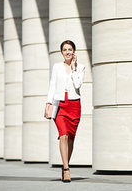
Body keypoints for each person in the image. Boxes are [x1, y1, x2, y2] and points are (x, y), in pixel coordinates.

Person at [45, 40, 85, 183]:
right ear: (61, 52)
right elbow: (52, 86)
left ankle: (64, 165)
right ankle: (67, 170)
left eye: (70, 49)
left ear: (74, 51)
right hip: (60, 105)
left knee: (71, 138)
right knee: (63, 135)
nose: (67, 52)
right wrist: (48, 103)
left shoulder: (80, 67)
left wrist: (74, 68)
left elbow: (78, 84)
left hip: (74, 106)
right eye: (64, 49)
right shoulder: (57, 67)